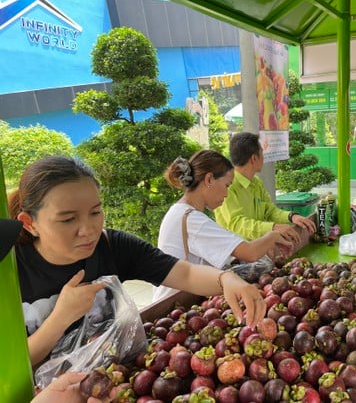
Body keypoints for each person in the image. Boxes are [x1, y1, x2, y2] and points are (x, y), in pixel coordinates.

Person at [8, 156, 265, 369]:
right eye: (67, 220)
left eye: (95, 212)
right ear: (29, 223)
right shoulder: (9, 271)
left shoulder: (112, 246)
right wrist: (61, 317)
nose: (87, 230)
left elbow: (183, 273)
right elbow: (8, 366)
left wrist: (225, 278)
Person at [153, 151, 294, 301]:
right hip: (175, 303)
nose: (227, 194)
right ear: (209, 179)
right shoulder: (192, 220)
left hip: (179, 299)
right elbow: (250, 253)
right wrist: (273, 235)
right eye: (227, 185)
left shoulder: (181, 212)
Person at [214, 132, 316, 241]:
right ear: (254, 158)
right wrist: (273, 228)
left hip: (259, 248)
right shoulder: (228, 186)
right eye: (262, 152)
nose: (264, 157)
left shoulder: (256, 182)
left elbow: (270, 211)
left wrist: (292, 216)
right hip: (236, 254)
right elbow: (236, 223)